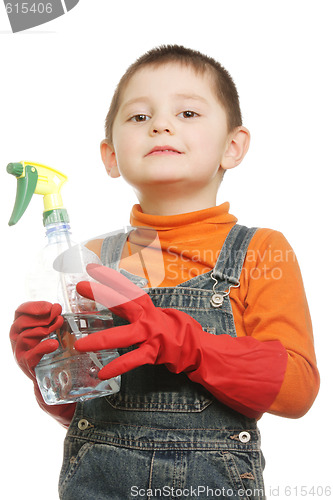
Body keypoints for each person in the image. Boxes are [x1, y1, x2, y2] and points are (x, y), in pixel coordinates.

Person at [10, 45, 319, 499]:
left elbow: (296, 390)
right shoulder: (92, 258)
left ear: (233, 147)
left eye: (188, 112)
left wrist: (188, 345)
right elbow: (90, 413)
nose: (161, 124)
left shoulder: (260, 250)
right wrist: (49, 370)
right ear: (111, 156)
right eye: (138, 117)